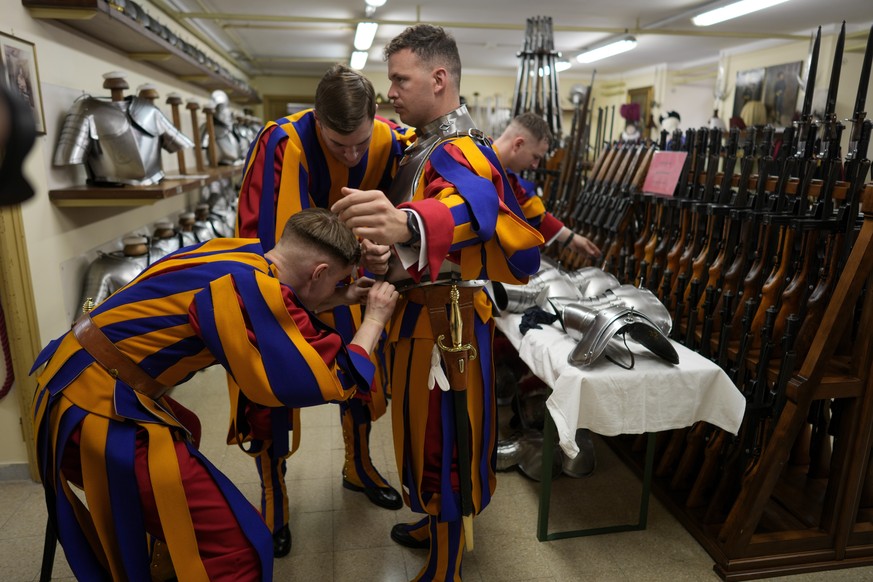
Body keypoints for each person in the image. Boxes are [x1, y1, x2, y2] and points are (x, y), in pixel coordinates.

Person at [30, 208, 399, 581]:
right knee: (240, 546)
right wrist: (374, 320)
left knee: (186, 428)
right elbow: (328, 379)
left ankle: (169, 556)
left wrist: (339, 296)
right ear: (318, 272)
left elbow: (281, 305)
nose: (339, 285)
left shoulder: (234, 253)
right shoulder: (246, 290)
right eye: (336, 279)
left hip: (69, 382)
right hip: (96, 411)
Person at [332, 24, 545, 581]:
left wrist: (405, 221)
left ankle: (447, 564)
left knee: (444, 437)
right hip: (418, 320)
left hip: (445, 330)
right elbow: (416, 246)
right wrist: (384, 256)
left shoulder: (462, 149)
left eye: (400, 80)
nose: (392, 92)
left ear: (440, 77)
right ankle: (432, 519)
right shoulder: (421, 146)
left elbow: (475, 212)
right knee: (417, 432)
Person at [235, 63, 407, 557]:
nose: (352, 154)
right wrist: (355, 259)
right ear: (316, 120)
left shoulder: (391, 141)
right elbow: (275, 240)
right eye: (338, 146)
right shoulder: (282, 142)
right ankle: (274, 493)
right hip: (281, 282)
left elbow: (400, 218)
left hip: (350, 278)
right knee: (269, 384)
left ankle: (359, 466)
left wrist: (382, 253)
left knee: (360, 375)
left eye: (360, 142)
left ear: (377, 117)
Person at [492, 112, 600, 259]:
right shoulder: (474, 164)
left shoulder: (505, 175)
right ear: (518, 144)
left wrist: (571, 239)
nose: (535, 166)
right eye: (535, 157)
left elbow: (531, 210)